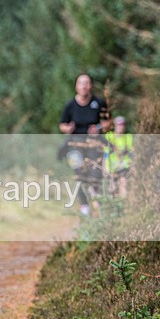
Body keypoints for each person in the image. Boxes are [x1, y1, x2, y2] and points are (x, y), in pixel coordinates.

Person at [58, 73, 111, 216]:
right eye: (81, 83)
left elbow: (108, 122)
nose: (84, 86)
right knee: (80, 175)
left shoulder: (99, 103)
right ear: (76, 86)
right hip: (75, 146)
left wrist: (98, 128)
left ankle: (98, 204)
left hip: (94, 144)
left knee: (95, 174)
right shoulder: (70, 105)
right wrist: (67, 128)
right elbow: (62, 125)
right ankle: (84, 207)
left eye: (87, 83)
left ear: (91, 86)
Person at [104, 116, 133, 198]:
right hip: (112, 167)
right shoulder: (109, 136)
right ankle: (114, 206)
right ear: (115, 126)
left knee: (123, 183)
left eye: (123, 125)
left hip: (124, 165)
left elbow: (131, 152)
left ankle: (124, 205)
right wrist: (104, 167)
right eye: (119, 125)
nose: (121, 127)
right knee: (112, 188)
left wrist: (133, 164)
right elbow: (105, 153)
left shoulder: (128, 137)